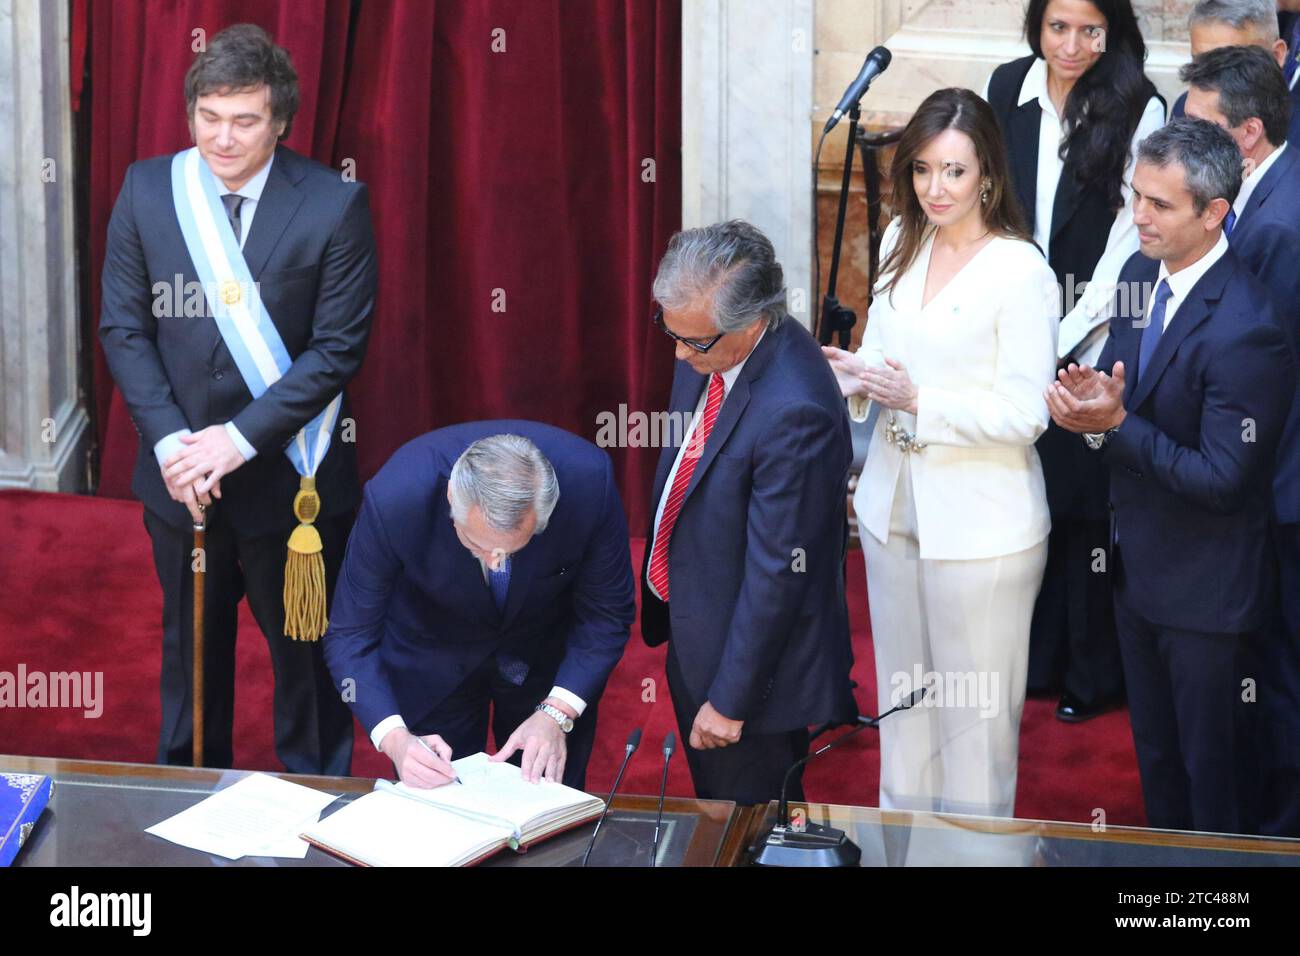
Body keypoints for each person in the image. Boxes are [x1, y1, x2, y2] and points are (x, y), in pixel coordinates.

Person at [98, 24, 377, 774]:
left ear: (279, 121)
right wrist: (172, 448)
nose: (223, 139)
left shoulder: (333, 204)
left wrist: (236, 441)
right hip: (180, 477)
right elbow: (124, 330)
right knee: (190, 666)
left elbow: (335, 352)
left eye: (245, 121)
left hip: (289, 488)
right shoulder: (148, 188)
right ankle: (187, 794)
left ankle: (316, 803)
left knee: (305, 674)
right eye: (209, 117)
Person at [1046, 119, 1294, 834]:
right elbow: (1129, 386)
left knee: (1215, 782)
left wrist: (1116, 427)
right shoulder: (1133, 277)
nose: (1138, 217)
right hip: (1139, 575)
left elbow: (1223, 477)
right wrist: (1090, 407)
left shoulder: (1249, 326)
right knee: (1158, 765)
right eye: (1136, 197)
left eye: (1159, 204)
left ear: (1215, 213)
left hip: (1211, 600)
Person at [824, 88, 1060, 818]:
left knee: (973, 733)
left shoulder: (1021, 270)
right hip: (893, 509)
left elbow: (1026, 415)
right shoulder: (902, 238)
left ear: (987, 173)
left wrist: (919, 399)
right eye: (923, 170)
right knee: (906, 713)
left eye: (954, 172)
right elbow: (887, 360)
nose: (936, 189)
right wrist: (853, 376)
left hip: (983, 528)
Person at [983, 0, 1165, 723]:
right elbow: (992, 198)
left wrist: (1066, 331)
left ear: (1111, 30)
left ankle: (1092, 676)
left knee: (1085, 503)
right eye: (1059, 27)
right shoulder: (1006, 87)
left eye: (1090, 29)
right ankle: (1038, 659)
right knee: (1028, 491)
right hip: (1017, 318)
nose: (1072, 44)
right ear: (1037, 26)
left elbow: (1134, 233)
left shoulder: (1137, 103)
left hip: (1093, 331)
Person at [640, 220, 857, 806]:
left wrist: (730, 699)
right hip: (699, 624)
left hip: (751, 678)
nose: (680, 353)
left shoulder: (796, 411)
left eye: (696, 341)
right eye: (671, 331)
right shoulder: (708, 342)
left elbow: (778, 574)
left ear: (753, 319)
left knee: (753, 826)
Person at [322, 425, 635, 790]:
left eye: (512, 549)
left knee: (545, 811)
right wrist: (395, 739)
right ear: (452, 495)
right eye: (475, 543)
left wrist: (557, 712)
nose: (495, 562)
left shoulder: (588, 483)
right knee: (439, 813)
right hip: (431, 653)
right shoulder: (396, 496)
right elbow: (349, 634)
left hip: (542, 659)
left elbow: (606, 615)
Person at [1181, 45, 1300, 836]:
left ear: (1248, 132)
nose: (1183, 139)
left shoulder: (1278, 224)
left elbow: (1272, 373)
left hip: (1281, 483)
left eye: (1201, 127)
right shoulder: (1268, 188)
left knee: (1283, 668)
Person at [1171, 0, 1300, 144]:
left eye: (1230, 65)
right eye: (1200, 63)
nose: (1212, 78)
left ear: (1276, 55)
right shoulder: (1184, 111)